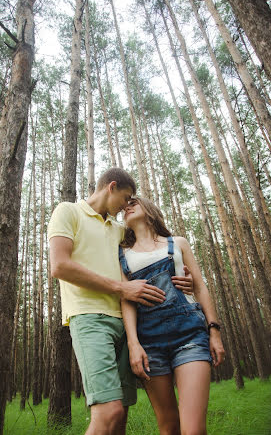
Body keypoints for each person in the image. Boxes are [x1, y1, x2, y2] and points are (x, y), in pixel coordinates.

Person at [48, 168, 194, 435]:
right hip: (90, 318)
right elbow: (59, 266)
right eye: (125, 198)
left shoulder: (119, 230)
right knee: (108, 410)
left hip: (129, 326)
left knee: (120, 417)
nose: (125, 207)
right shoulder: (68, 211)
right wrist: (121, 288)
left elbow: (151, 255)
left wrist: (184, 277)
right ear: (111, 187)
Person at [120, 197, 225, 435]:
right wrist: (133, 344)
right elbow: (126, 300)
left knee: (194, 429)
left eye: (133, 202)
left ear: (150, 210)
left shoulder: (177, 243)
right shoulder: (123, 254)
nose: (126, 207)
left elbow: (199, 287)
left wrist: (214, 330)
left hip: (190, 336)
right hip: (149, 343)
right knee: (168, 427)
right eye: (123, 207)